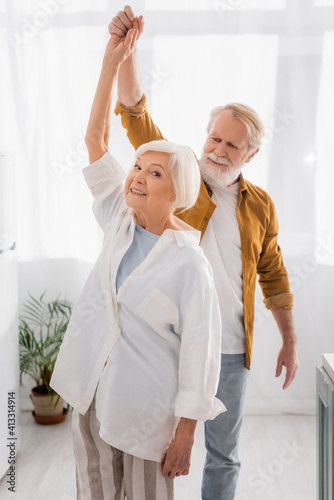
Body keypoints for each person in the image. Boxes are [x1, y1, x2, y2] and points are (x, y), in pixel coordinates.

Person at [108, 6, 299, 500]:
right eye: (214, 137)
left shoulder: (261, 206)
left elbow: (273, 275)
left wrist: (290, 341)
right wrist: (127, 53)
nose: (217, 149)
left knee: (223, 455)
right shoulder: (179, 176)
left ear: (250, 154)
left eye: (232, 145)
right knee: (150, 450)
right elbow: (135, 115)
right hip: (167, 348)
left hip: (231, 354)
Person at [50, 21, 226, 500]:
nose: (137, 176)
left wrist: (187, 432)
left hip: (146, 415)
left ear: (179, 191)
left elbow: (200, 355)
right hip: (89, 393)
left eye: (154, 172)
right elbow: (96, 137)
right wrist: (111, 64)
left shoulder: (191, 266)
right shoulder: (118, 218)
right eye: (136, 167)